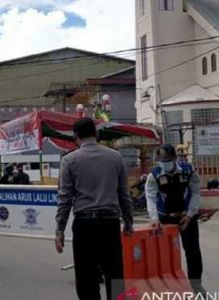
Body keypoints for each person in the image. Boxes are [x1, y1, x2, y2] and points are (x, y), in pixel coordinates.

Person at [55, 117, 133, 300]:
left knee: (86, 278)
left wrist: (59, 230)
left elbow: (65, 198)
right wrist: (128, 222)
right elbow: (124, 194)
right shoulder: (115, 157)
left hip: (84, 225)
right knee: (115, 276)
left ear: (75, 137)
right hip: (110, 223)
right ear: (96, 134)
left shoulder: (69, 160)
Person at [145, 144, 205, 294]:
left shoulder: (188, 170)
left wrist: (190, 215)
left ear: (174, 158)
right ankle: (165, 287)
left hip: (187, 216)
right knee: (164, 253)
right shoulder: (155, 174)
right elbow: (150, 196)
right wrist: (154, 218)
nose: (164, 162)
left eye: (167, 159)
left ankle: (196, 285)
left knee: (193, 252)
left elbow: (196, 193)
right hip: (164, 218)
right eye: (161, 159)